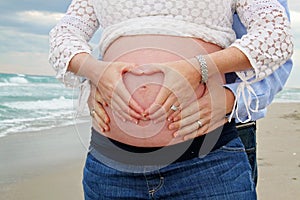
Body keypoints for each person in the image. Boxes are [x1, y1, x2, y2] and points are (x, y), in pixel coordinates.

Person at [49, 0, 293, 199]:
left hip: (207, 163)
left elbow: (277, 35)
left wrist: (200, 69)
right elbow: (65, 34)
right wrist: (94, 71)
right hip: (111, 169)